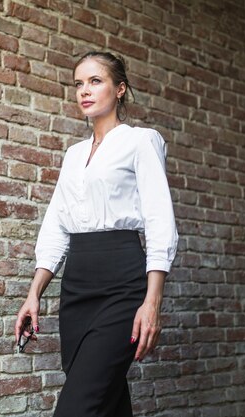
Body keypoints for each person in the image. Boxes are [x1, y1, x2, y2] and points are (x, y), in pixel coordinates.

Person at [14, 51, 179, 417]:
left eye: (95, 81)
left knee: (78, 407)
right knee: (106, 402)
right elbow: (57, 225)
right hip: (77, 287)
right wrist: (33, 294)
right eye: (78, 84)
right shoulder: (73, 155)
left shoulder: (142, 141)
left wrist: (151, 303)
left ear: (120, 89)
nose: (83, 91)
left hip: (122, 281)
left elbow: (159, 221)